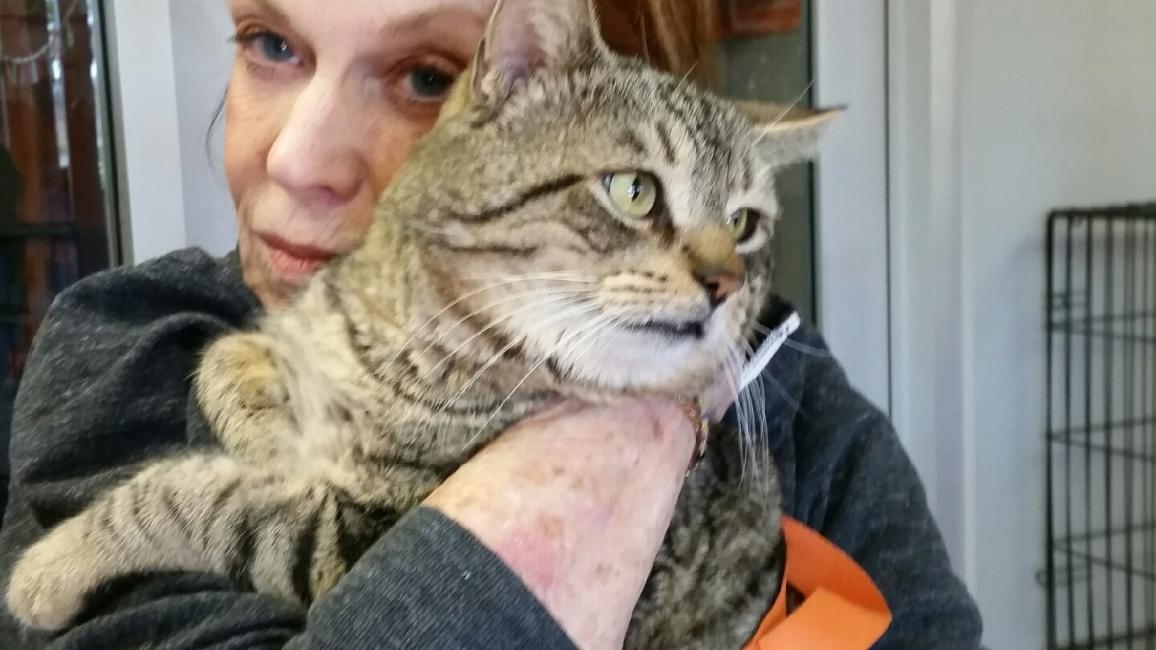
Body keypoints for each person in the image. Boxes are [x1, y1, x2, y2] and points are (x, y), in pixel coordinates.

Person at [0, 0, 983, 648]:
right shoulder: (132, 345)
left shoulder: (784, 383)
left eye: (431, 77)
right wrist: (621, 443)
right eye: (271, 44)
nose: (299, 160)